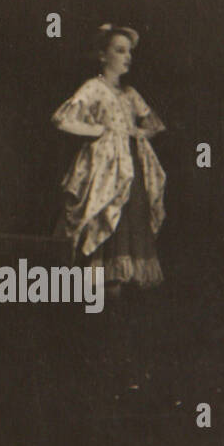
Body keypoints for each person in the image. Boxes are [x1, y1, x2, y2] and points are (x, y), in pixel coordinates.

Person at [51, 24, 166, 295]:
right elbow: (61, 119)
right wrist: (98, 131)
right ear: (103, 55)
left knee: (131, 220)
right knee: (104, 216)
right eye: (119, 50)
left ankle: (120, 298)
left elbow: (154, 125)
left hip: (131, 168)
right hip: (103, 169)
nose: (127, 57)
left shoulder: (129, 93)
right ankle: (102, 294)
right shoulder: (93, 87)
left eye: (129, 52)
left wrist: (136, 133)